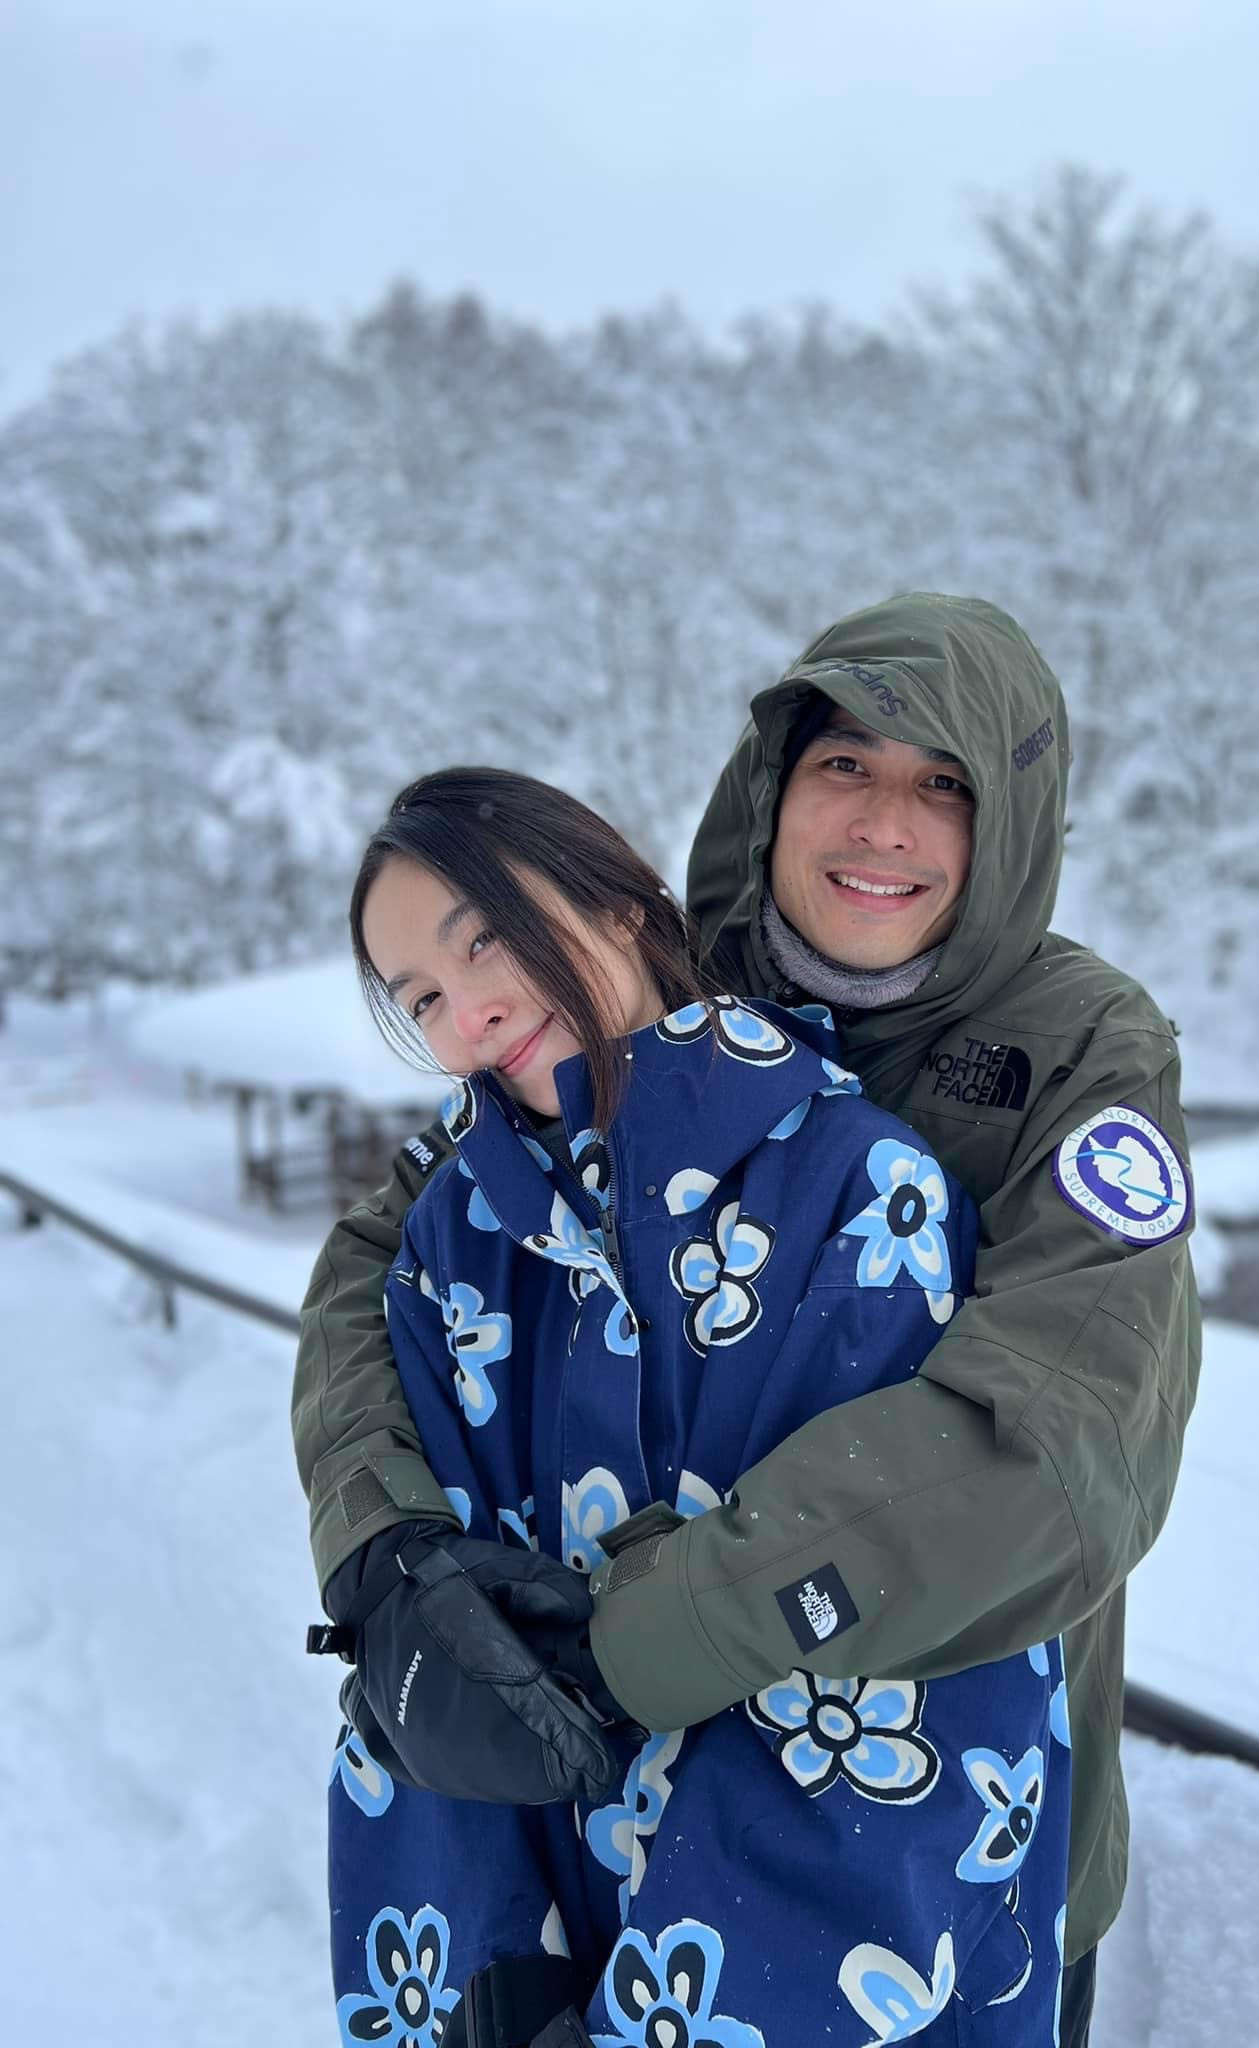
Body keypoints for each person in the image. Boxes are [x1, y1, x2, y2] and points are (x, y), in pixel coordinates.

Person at [294, 592, 1202, 2047]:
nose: (883, 825)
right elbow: (384, 1250)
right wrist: (382, 1544)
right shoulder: (650, 984)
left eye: (943, 784)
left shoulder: (1081, 1050)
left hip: (943, 1833)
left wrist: (649, 1633)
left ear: (1013, 820)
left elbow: (1064, 1448)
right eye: (845, 765)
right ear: (773, 785)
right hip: (620, 1829)